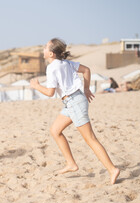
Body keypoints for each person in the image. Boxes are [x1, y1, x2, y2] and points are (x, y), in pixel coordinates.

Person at [30, 38, 120, 184]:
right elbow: (86, 70)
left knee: (90, 139)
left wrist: (36, 86)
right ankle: (71, 164)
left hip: (75, 103)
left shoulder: (52, 67)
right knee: (55, 130)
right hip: (72, 102)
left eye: (45, 47)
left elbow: (50, 92)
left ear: (51, 54)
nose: (43, 49)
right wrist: (86, 88)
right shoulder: (66, 63)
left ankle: (112, 169)